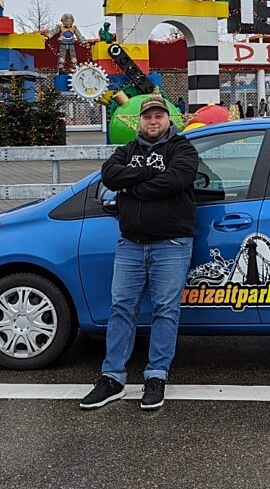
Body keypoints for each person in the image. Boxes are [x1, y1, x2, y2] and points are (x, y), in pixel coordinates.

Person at [81, 95, 198, 412]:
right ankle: (112, 377)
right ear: (140, 121)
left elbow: (177, 180)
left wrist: (133, 189)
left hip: (171, 244)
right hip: (130, 244)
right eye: (148, 117)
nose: (153, 121)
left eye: (159, 116)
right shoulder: (125, 151)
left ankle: (156, 376)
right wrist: (148, 178)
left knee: (165, 310)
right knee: (121, 308)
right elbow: (110, 175)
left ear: (167, 120)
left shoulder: (182, 149)